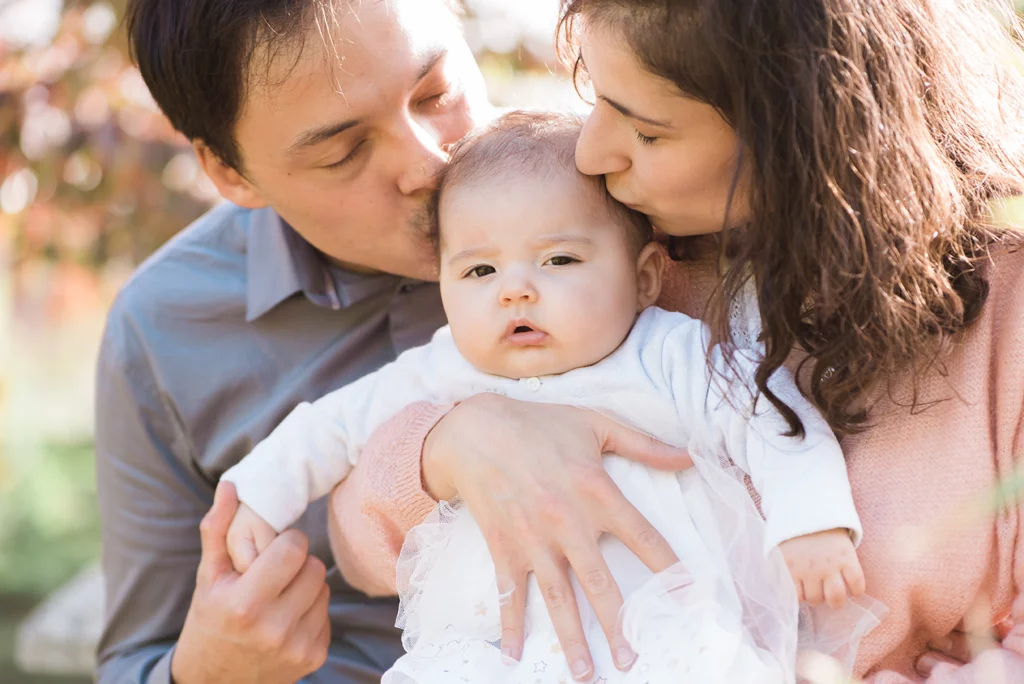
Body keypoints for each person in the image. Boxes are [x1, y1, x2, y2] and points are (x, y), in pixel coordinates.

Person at [326, 0, 1024, 682]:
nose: (592, 153)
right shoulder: (598, 255)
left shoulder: (1006, 315)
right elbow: (363, 546)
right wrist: (451, 448)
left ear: (798, 138)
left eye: (647, 132)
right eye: (596, 100)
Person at [95, 2, 697, 682]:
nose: (428, 164)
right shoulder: (163, 331)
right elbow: (134, 658)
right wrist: (207, 669)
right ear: (231, 172)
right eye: (343, 152)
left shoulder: (635, 194)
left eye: (437, 92)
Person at [218, 111, 875, 682]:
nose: (515, 290)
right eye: (480, 270)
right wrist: (259, 494)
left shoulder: (668, 353)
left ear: (645, 278)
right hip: (492, 645)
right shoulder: (444, 368)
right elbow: (333, 425)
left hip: (661, 629)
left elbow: (767, 413)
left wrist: (811, 518)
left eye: (558, 260)